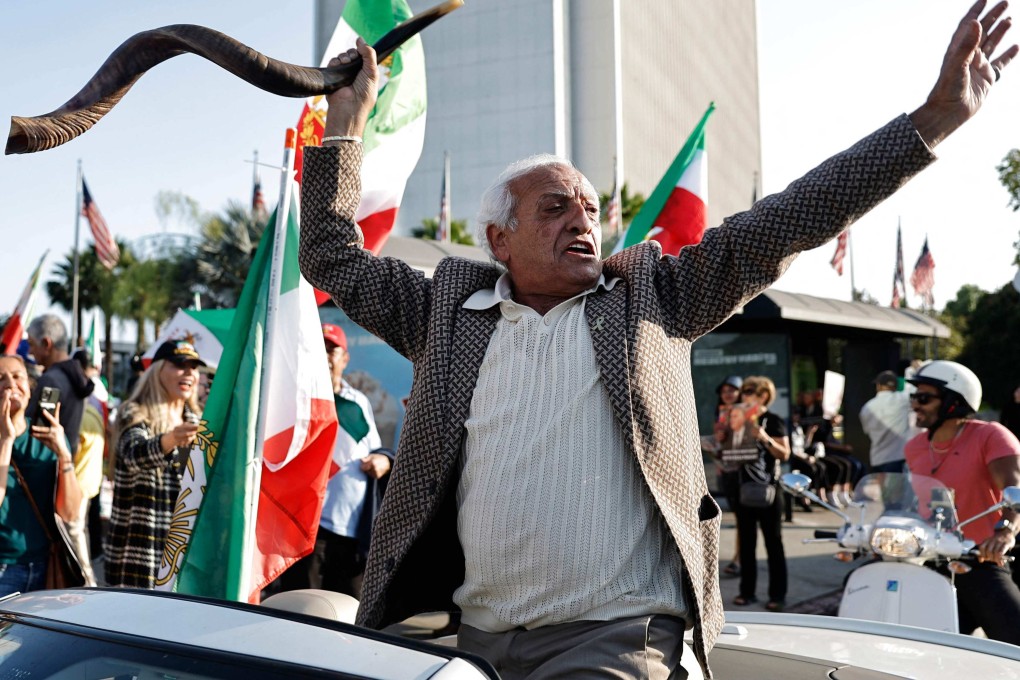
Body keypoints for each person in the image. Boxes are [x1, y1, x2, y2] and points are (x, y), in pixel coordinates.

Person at [299, 6, 1016, 676]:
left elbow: (791, 219)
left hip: (616, 638)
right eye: (553, 209)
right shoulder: (444, 312)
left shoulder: (656, 297)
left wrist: (932, 122)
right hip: (476, 640)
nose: (582, 219)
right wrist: (346, 125)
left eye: (587, 207)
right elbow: (330, 255)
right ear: (498, 239)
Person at [903, 360, 1020, 644]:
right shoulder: (915, 447)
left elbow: (1015, 489)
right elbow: (914, 503)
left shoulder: (989, 436)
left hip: (981, 556)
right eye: (914, 397)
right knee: (920, 646)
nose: (915, 404)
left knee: (1014, 638)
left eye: (924, 398)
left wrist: (1005, 529)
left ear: (954, 401)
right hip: (935, 558)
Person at [278, 323, 390, 596]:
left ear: (345, 358)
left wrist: (383, 461)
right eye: (320, 349)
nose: (326, 356)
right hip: (305, 529)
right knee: (303, 613)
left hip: (350, 531)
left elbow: (375, 449)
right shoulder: (295, 400)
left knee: (347, 616)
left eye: (332, 350)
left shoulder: (357, 402)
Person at [105, 340, 204, 589]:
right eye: (180, 364)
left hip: (186, 553)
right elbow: (133, 455)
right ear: (158, 371)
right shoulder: (135, 413)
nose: (189, 372)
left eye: (194, 366)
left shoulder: (199, 421)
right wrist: (170, 440)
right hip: (142, 555)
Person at [0, 355, 82, 596]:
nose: (10, 384)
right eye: (0, 378)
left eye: (18, 377)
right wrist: (6, 440)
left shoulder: (49, 437)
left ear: (29, 387)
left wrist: (64, 454)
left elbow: (69, 512)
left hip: (45, 566)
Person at [730, 377, 790, 611]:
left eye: (749, 392)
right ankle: (747, 591)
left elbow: (784, 454)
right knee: (746, 543)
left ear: (763, 395)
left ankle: (778, 594)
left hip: (769, 490)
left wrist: (764, 438)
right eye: (743, 392)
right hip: (743, 489)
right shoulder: (738, 419)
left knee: (773, 543)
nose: (744, 396)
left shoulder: (772, 421)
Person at [26, 315, 94, 454]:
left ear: (46, 344)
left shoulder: (51, 381)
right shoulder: (78, 377)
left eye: (31, 344)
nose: (29, 351)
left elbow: (39, 432)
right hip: (66, 463)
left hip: (47, 466)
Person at [860, 370, 919, 474]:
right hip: (898, 457)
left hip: (877, 459)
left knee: (880, 490)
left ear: (878, 385)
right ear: (896, 386)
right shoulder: (902, 399)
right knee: (897, 490)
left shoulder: (867, 408)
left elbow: (866, 431)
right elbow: (918, 391)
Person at [713, 375, 744, 577]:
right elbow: (719, 444)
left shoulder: (748, 413)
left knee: (744, 518)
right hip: (728, 471)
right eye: (725, 391)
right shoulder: (720, 414)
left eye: (732, 390)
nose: (728, 394)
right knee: (739, 516)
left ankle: (739, 559)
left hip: (745, 472)